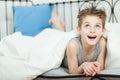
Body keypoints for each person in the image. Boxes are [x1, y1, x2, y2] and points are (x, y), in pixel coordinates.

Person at [50, 6, 107, 76]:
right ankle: (56, 22)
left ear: (103, 31)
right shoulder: (73, 45)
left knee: (62, 33)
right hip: (62, 42)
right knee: (59, 36)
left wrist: (96, 67)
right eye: (87, 25)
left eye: (97, 26)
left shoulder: (102, 42)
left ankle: (58, 25)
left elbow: (101, 66)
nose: (92, 30)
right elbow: (73, 71)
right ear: (79, 30)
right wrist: (83, 66)